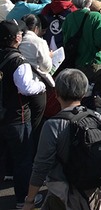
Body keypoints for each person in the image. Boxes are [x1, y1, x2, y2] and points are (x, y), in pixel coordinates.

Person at [23, 69, 101, 210]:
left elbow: (40, 167)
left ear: (56, 94)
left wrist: (30, 200)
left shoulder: (53, 125)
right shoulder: (97, 118)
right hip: (93, 195)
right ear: (84, 93)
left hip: (63, 196)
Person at [0, 19, 46, 207]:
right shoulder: (18, 61)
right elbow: (26, 87)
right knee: (23, 160)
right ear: (16, 38)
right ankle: (23, 199)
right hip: (16, 117)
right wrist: (41, 85)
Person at [61, 0, 101, 90]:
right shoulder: (95, 16)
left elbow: (66, 39)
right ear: (89, 0)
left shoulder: (69, 18)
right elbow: (100, 42)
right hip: (92, 63)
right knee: (94, 95)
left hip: (75, 62)